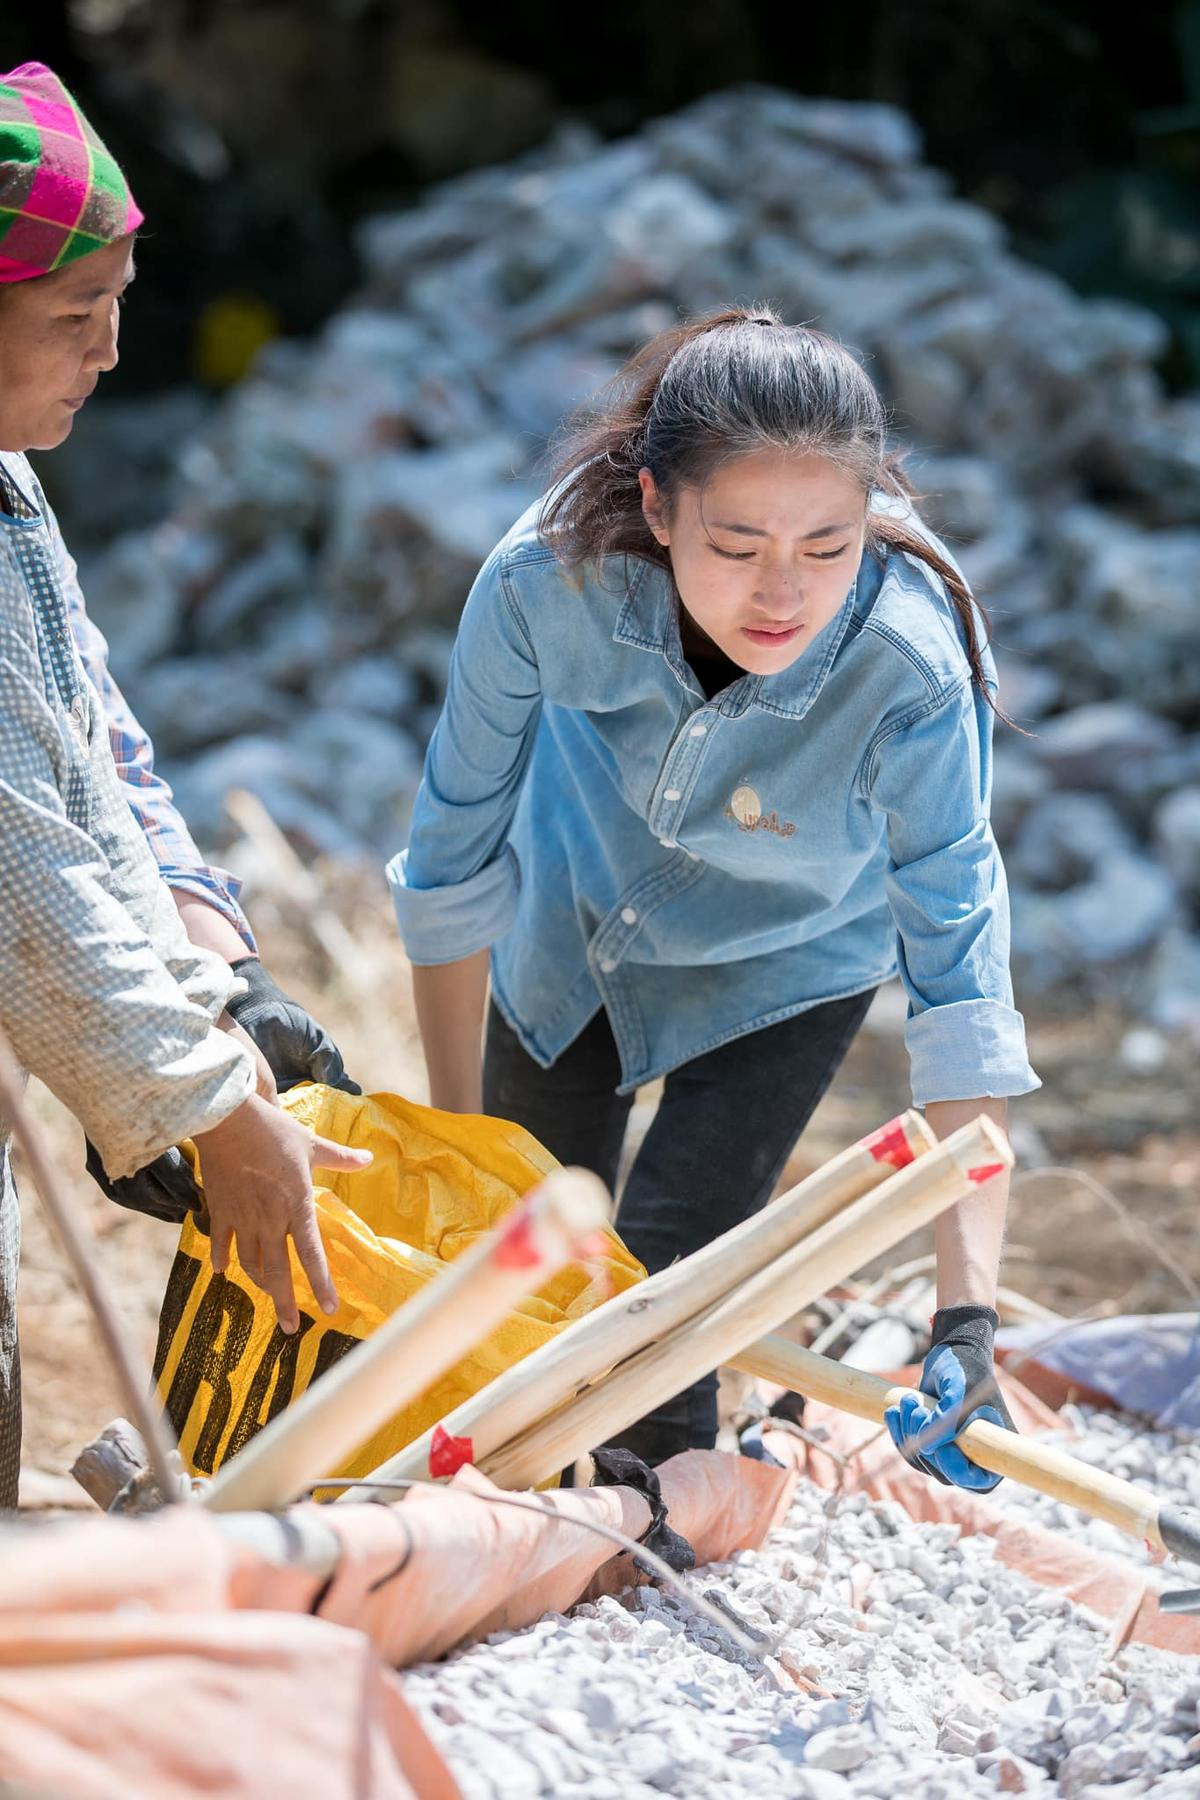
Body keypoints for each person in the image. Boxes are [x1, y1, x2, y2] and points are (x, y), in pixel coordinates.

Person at [389, 306, 1040, 1489]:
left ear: (872, 516)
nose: (782, 593)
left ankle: (653, 1553)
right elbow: (449, 869)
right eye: (736, 546)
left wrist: (967, 1321)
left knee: (663, 1307)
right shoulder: (545, 585)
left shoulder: (910, 664)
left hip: (787, 968)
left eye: (829, 546)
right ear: (655, 505)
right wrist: (461, 1161)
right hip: (571, 929)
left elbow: (963, 981)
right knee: (520, 1309)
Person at [0, 60, 369, 1509]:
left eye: (116, 307)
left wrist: (216, 970)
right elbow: (20, 867)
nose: (107, 351)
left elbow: (95, 746)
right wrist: (208, 1107)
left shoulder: (12, 482)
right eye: (72, 318)